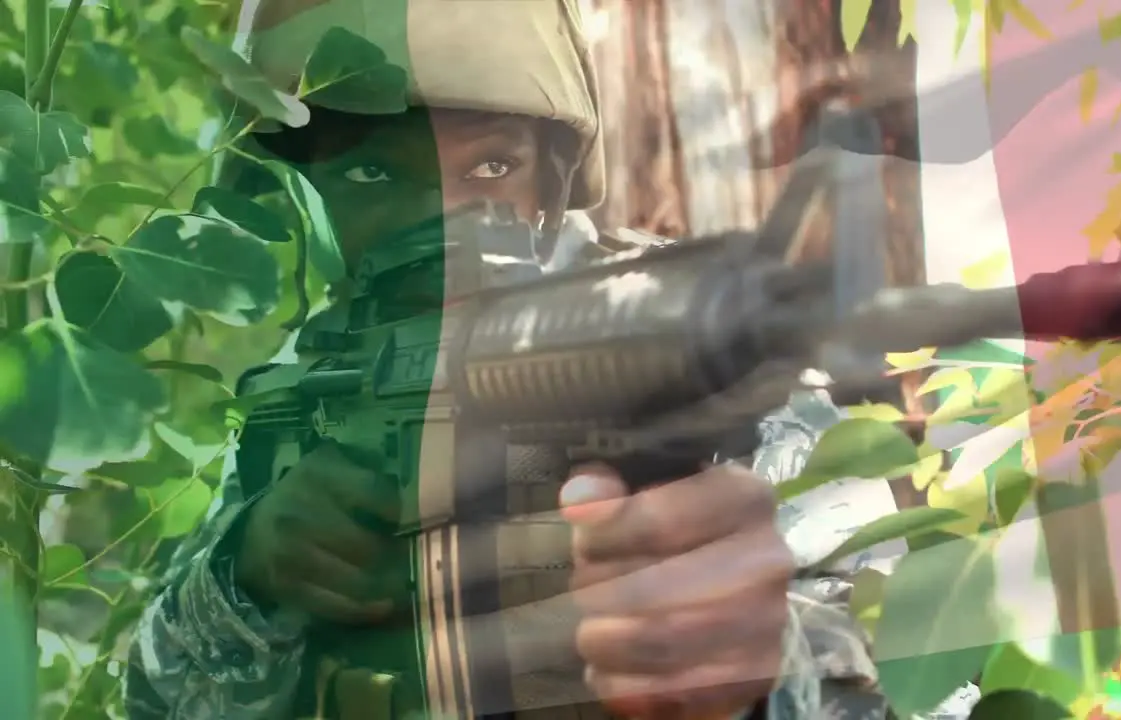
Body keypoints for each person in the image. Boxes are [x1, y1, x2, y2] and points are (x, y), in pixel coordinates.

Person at [121, 1, 932, 718]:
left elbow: (920, 685)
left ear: (556, 171)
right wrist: (250, 576)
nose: (439, 222)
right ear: (309, 196)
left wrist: (756, 665)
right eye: (369, 172)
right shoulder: (317, 378)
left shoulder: (692, 335)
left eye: (490, 167)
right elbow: (151, 698)